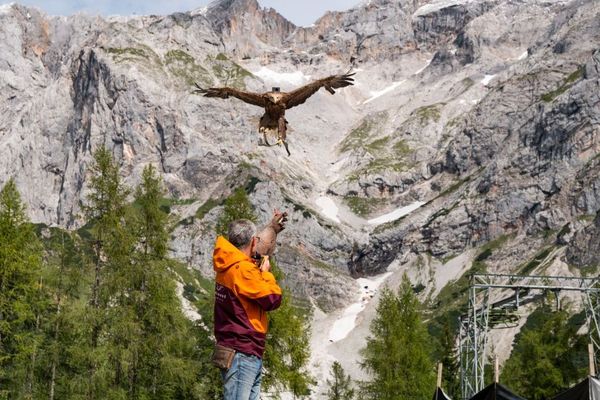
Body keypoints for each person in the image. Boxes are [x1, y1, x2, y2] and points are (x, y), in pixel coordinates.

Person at [213, 217, 283, 400]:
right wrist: (266, 275)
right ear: (252, 241)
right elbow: (273, 299)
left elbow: (252, 262)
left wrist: (272, 228)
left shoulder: (227, 265)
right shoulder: (243, 271)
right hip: (243, 352)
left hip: (238, 350)